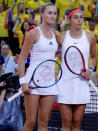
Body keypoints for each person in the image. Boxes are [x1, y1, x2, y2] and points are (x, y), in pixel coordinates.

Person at [18, 3, 58, 131]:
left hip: (49, 82)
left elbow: (53, 54)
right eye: (49, 13)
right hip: (32, 82)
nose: (52, 15)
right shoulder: (33, 33)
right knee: (30, 122)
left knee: (44, 122)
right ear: (42, 14)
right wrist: (23, 81)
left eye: (55, 13)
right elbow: (22, 58)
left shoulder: (54, 34)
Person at [56, 8, 97, 131]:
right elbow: (47, 53)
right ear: (69, 20)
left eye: (81, 17)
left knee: (77, 124)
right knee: (66, 124)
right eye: (75, 17)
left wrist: (90, 70)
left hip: (81, 84)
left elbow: (94, 57)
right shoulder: (61, 37)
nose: (79, 20)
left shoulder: (90, 37)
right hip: (64, 83)